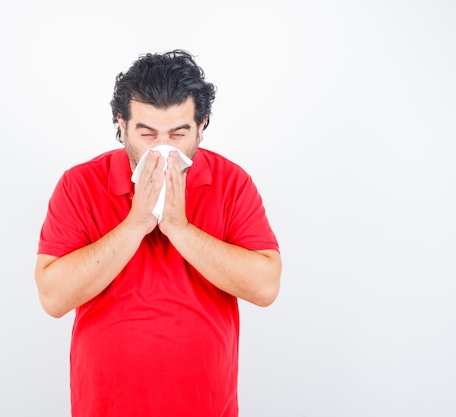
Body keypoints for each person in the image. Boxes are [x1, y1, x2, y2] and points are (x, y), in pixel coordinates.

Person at [35, 49, 282, 417]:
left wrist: (178, 228)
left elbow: (265, 288)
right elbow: (53, 299)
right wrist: (136, 223)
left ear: (202, 126)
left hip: (207, 406)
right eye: (147, 133)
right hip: (104, 407)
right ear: (121, 125)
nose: (163, 148)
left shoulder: (233, 183)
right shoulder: (79, 185)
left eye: (178, 133)